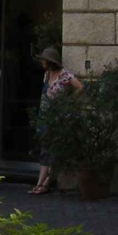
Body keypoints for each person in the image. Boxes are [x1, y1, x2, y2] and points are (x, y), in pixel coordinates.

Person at [31, 47, 82, 195]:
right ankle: (40, 182)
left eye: (44, 60)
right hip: (45, 116)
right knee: (45, 149)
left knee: (54, 150)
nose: (42, 62)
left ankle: (46, 183)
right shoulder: (47, 75)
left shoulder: (65, 75)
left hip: (57, 117)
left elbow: (80, 87)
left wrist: (67, 102)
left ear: (50, 61)